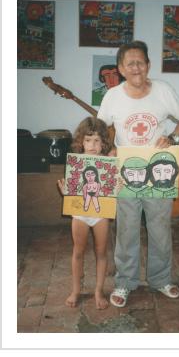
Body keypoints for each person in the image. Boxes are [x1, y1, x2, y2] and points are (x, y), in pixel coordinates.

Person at [98, 40, 179, 308]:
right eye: (131, 63)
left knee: (159, 228)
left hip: (159, 169)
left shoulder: (163, 90)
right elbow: (101, 127)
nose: (136, 67)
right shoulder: (112, 96)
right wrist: (109, 150)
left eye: (141, 62)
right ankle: (124, 282)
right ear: (121, 68)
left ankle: (160, 279)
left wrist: (173, 137)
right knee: (126, 230)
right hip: (126, 171)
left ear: (148, 65)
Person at [57, 116, 112, 309]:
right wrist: (66, 192)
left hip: (100, 215)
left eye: (97, 140)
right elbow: (71, 190)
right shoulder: (75, 164)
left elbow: (110, 193)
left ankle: (98, 290)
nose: (92, 145)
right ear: (81, 141)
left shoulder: (108, 165)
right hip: (79, 214)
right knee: (78, 251)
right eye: (88, 140)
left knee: (101, 252)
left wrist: (117, 187)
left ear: (103, 143)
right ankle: (76, 290)